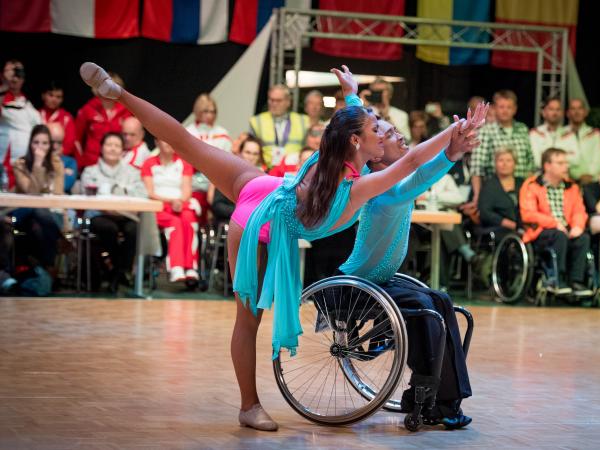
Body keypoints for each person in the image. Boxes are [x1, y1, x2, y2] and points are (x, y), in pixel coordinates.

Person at [79, 62, 486, 432]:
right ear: (358, 143)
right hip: (258, 226)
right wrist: (453, 132)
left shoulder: (337, 157)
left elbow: (355, 125)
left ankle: (119, 94)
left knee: (186, 142)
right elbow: (412, 162)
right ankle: (248, 405)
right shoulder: (359, 187)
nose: (386, 132)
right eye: (378, 129)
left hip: (264, 187)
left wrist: (352, 95)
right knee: (248, 320)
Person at [338, 76, 477, 427]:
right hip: (361, 284)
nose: (399, 135)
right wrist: (451, 146)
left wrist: (352, 95)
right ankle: (427, 400)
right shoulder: (383, 190)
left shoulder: (389, 183)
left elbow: (365, 129)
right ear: (375, 150)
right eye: (388, 134)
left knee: (441, 302)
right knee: (426, 309)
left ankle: (443, 401)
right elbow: (421, 170)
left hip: (381, 281)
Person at [80, 132, 146, 291]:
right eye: (109, 145)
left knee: (134, 229)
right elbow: (87, 196)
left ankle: (116, 272)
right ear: (102, 148)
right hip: (99, 215)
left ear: (123, 150)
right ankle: (118, 272)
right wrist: (121, 196)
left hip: (126, 215)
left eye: (117, 146)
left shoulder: (133, 173)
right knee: (109, 228)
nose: (113, 149)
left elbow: (141, 195)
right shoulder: (90, 171)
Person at [520, 148, 591, 295]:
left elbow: (579, 211)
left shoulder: (572, 187)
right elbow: (528, 214)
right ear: (547, 166)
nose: (566, 166)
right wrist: (554, 223)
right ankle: (557, 278)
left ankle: (576, 281)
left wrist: (577, 226)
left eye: (566, 163)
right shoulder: (532, 185)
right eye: (560, 163)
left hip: (566, 229)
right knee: (559, 236)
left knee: (583, 238)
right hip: (541, 231)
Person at [141, 138, 199, 285]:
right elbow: (150, 192)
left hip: (180, 204)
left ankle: (191, 267)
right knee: (176, 223)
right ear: (156, 142)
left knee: (189, 218)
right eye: (165, 140)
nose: (169, 143)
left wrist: (179, 202)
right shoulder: (149, 163)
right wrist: (170, 201)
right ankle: (176, 267)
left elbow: (187, 191)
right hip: (158, 206)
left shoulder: (184, 162)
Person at [11, 125, 64, 271]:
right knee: (37, 211)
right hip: (25, 214)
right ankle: (50, 264)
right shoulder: (20, 165)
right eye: (36, 142)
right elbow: (31, 193)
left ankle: (41, 269)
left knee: (38, 228)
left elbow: (58, 194)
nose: (40, 147)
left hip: (52, 213)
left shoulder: (57, 164)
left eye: (45, 143)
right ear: (30, 143)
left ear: (50, 145)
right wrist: (37, 165)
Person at [75, 71, 131, 169]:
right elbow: (76, 140)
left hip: (118, 163)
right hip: (91, 163)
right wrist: (80, 162)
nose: (108, 92)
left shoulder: (126, 110)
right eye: (105, 88)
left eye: (112, 89)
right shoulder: (88, 109)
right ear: (98, 88)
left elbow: (132, 138)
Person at [249, 84, 309, 170]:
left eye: (278, 100)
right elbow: (252, 149)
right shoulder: (256, 121)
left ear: (288, 102)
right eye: (271, 100)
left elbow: (308, 149)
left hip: (294, 171)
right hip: (266, 171)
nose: (274, 104)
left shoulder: (303, 121)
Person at [1, 60, 41, 186]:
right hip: (3, 166)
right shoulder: (2, 97)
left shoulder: (27, 104)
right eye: (11, 71)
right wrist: (4, 86)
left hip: (23, 167)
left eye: (19, 72)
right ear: (2, 74)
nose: (15, 76)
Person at [39, 82, 77, 157]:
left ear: (62, 99)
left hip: (59, 158)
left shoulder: (66, 118)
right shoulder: (35, 114)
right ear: (43, 96)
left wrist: (55, 155)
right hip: (37, 155)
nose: (54, 99)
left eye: (58, 97)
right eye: (51, 95)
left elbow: (69, 144)